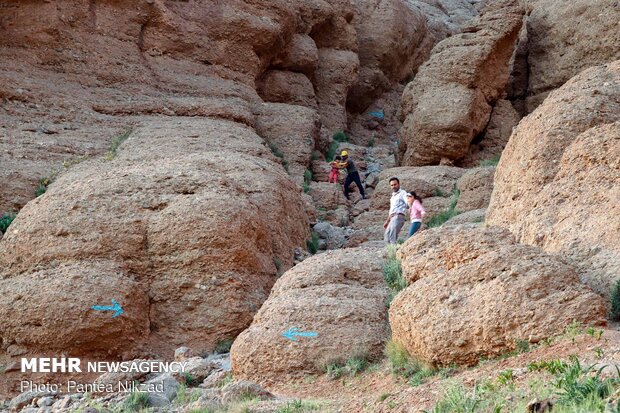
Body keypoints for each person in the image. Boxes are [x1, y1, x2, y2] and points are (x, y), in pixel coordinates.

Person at [383, 177, 408, 244]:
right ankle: (390, 252)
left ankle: (393, 253)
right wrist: (387, 221)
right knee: (386, 236)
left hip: (398, 216)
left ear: (399, 184)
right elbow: (392, 210)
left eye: (395, 184)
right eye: (392, 185)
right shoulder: (393, 197)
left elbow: (408, 202)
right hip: (392, 218)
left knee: (392, 237)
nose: (393, 186)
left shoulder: (403, 193)